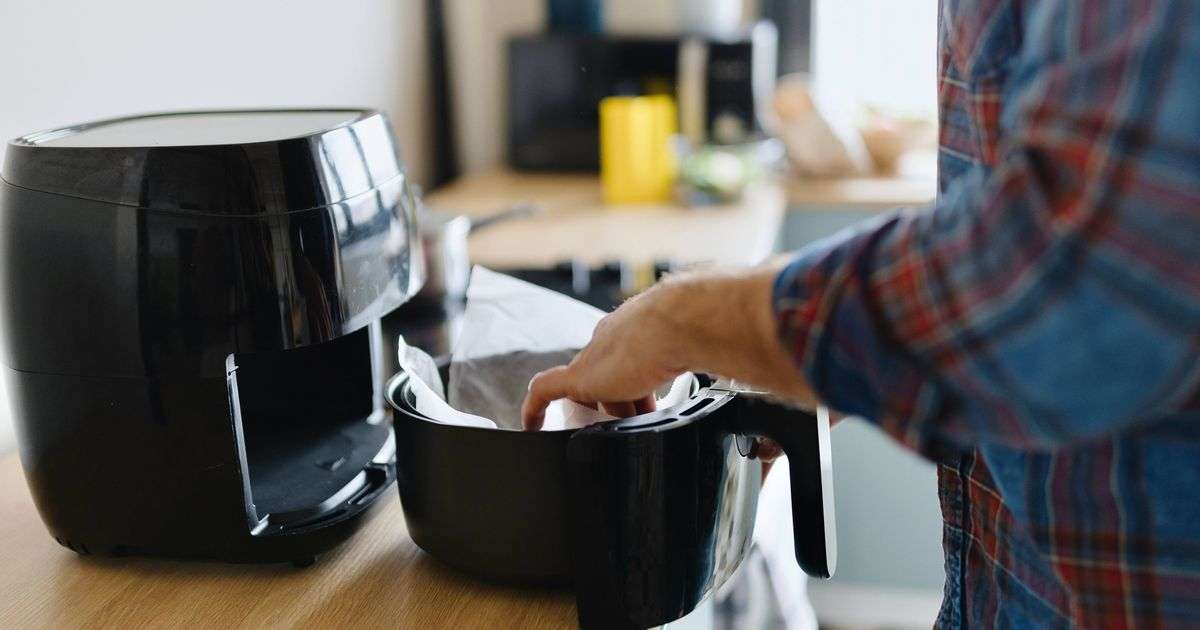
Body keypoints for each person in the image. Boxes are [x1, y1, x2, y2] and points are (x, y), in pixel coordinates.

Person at [522, 1, 1200, 626]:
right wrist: (804, 359)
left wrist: (684, 321)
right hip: (1009, 585)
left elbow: (1076, 273)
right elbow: (1009, 207)